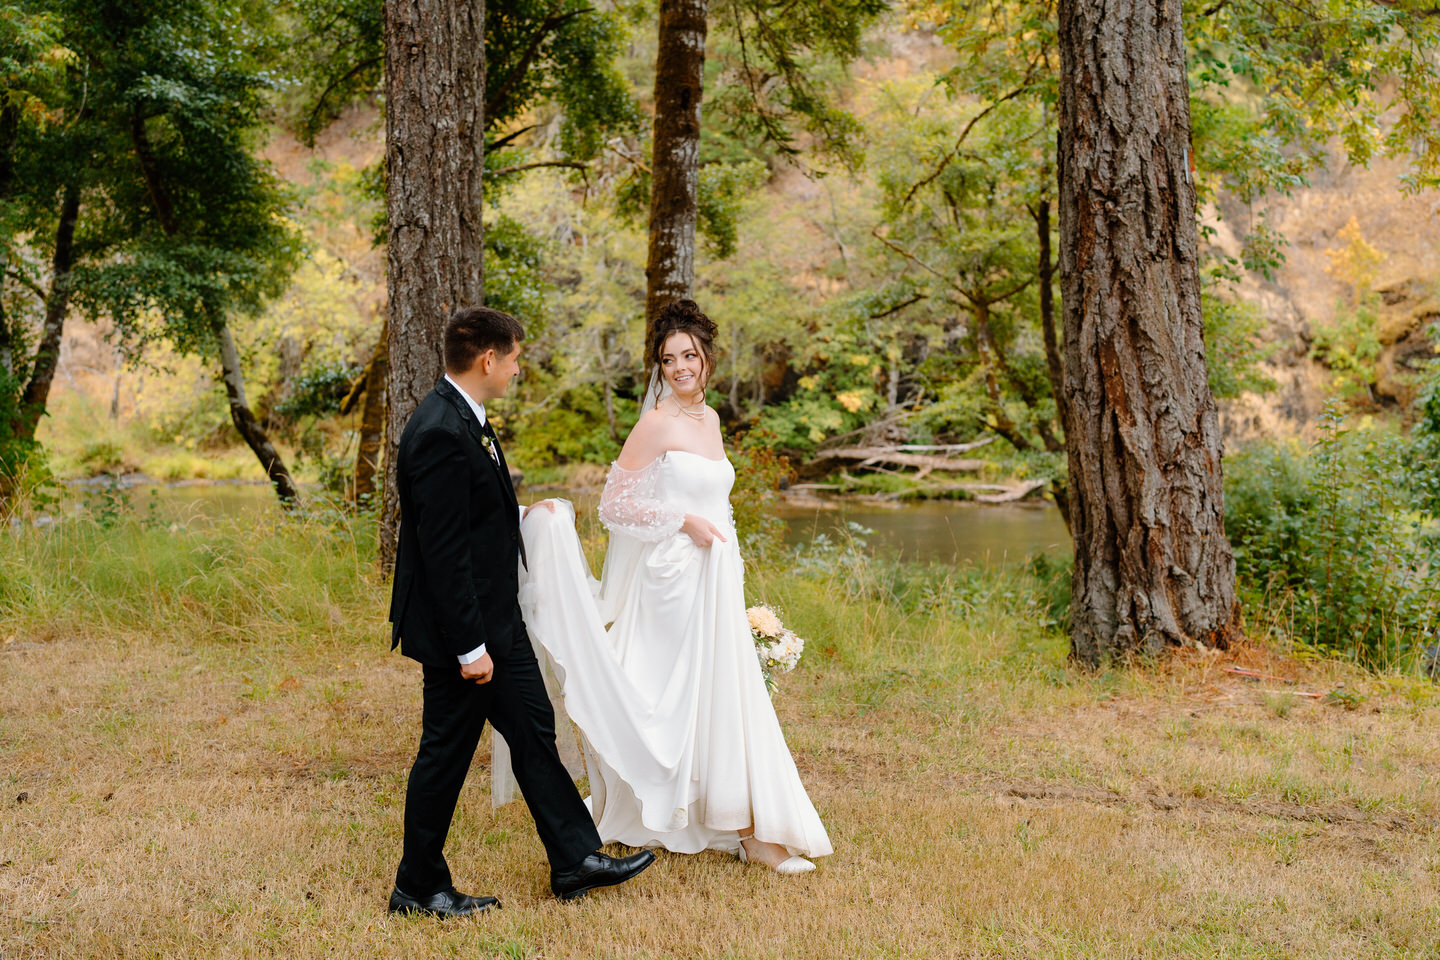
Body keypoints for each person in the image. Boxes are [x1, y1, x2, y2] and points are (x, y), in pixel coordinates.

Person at [513, 299, 832, 875]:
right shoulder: (656, 421)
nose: (680, 366)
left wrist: (728, 562)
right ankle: (741, 831)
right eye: (669, 358)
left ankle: (738, 821)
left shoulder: (709, 420)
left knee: (721, 694)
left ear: (707, 358)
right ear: (659, 367)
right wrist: (683, 523)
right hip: (674, 577)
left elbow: (717, 499)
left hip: (715, 575)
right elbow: (617, 503)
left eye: (689, 355)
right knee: (673, 694)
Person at [386, 306, 654, 918]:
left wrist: (533, 522)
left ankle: (574, 859)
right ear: (488, 360)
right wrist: (469, 648)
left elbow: (477, 522)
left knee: (534, 731)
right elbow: (444, 554)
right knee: (444, 755)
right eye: (512, 359)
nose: (516, 370)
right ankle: (418, 885)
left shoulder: (468, 418)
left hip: (497, 622)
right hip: (468, 634)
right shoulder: (438, 431)